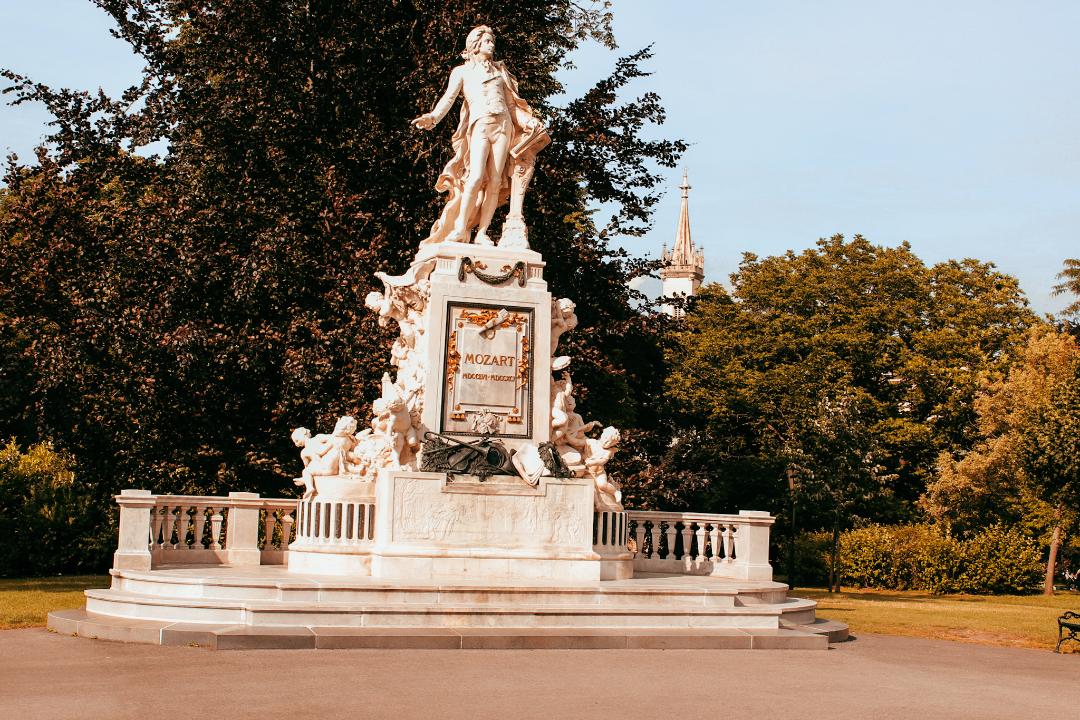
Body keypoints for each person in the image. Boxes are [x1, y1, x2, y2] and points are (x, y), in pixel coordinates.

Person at [412, 25, 544, 246]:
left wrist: (527, 121)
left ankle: (482, 232)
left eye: (492, 41)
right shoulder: (462, 72)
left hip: (503, 127)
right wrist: (433, 117)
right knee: (475, 178)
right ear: (475, 45)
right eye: (487, 41)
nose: (491, 45)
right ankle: (460, 228)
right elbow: (448, 98)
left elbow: (512, 106)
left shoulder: (500, 72)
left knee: (495, 181)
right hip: (480, 125)